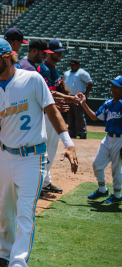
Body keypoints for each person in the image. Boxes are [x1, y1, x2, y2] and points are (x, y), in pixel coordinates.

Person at [0, 37, 78, 267]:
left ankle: (18, 262)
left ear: (8, 56)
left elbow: (52, 112)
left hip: (32, 156)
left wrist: (68, 143)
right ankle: (3, 256)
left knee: (24, 213)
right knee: (5, 212)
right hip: (7, 155)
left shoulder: (32, 79)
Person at [38, 39, 78, 194]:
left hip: (53, 112)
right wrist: (71, 98)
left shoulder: (53, 69)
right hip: (46, 114)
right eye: (58, 52)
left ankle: (46, 181)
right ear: (50, 52)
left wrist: (67, 95)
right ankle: (40, 182)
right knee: (45, 149)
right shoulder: (45, 69)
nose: (61, 54)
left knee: (52, 149)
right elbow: (50, 93)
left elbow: (59, 87)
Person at [77, 76, 122, 204]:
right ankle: (102, 189)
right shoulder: (108, 103)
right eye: (112, 86)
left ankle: (117, 195)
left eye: (116, 87)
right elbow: (94, 117)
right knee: (97, 164)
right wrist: (84, 104)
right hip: (108, 138)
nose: (112, 88)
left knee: (116, 168)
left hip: (120, 139)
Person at [64, 58, 93, 139]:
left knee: (79, 115)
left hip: (78, 96)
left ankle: (82, 132)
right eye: (71, 65)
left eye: (73, 65)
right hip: (69, 96)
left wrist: (85, 95)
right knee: (70, 115)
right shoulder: (67, 73)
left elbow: (90, 83)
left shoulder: (82, 73)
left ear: (78, 65)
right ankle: (72, 132)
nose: (71, 66)